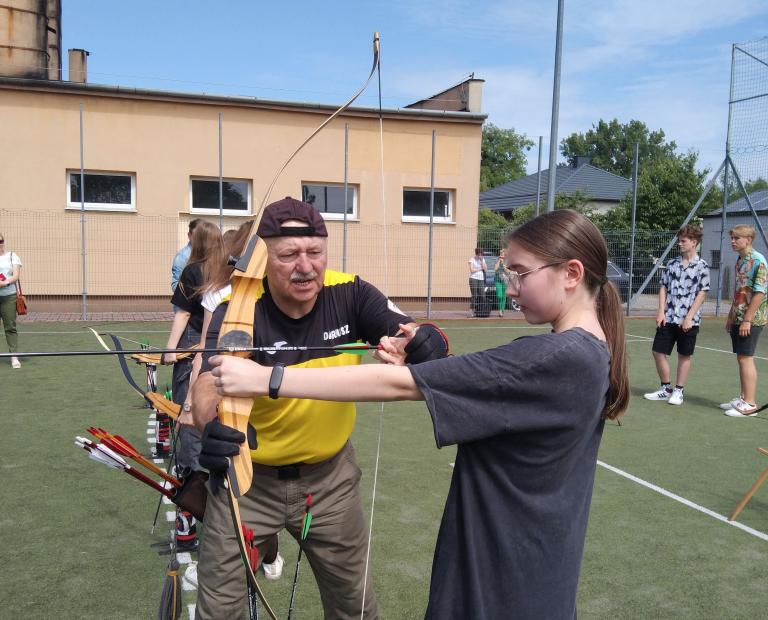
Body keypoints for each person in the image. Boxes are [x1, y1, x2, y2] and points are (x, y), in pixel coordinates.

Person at [206, 209, 629, 619]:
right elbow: (202, 393)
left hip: (506, 577)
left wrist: (266, 379)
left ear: (572, 273)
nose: (511, 288)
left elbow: (400, 380)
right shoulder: (581, 353)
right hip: (521, 564)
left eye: (520, 273)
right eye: (288, 255)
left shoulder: (555, 357)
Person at [192, 197, 446, 619]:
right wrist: (208, 426)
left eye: (315, 252)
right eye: (289, 255)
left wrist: (423, 340)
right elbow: (207, 382)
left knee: (355, 609)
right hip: (247, 480)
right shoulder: (239, 308)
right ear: (262, 259)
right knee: (218, 610)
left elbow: (410, 328)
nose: (305, 266)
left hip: (330, 483)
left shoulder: (351, 292)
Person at [643, 225, 710, 406]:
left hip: (689, 320)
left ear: (694, 242)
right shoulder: (672, 264)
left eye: (683, 241)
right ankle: (666, 388)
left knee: (684, 355)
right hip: (669, 317)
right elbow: (663, 287)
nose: (679, 244)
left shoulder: (702, 266)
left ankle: (679, 391)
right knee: (658, 351)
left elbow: (702, 293)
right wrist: (660, 311)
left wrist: (689, 317)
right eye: (679, 240)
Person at [721, 224, 768, 417]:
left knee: (746, 358)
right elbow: (739, 291)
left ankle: (750, 403)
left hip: (753, 319)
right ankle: (743, 397)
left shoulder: (758, 260)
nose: (732, 241)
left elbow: (759, 292)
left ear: (748, 240)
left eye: (736, 238)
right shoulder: (740, 260)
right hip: (739, 317)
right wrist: (732, 317)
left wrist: (747, 319)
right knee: (741, 357)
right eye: (732, 238)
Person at [0, 234, 22, 369]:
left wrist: (5, 283)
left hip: (9, 296)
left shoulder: (12, 256)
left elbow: (16, 275)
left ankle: (14, 356)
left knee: (10, 327)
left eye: (0, 241)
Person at [172, 218, 201, 310]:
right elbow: (175, 285)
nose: (200, 239)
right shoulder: (182, 257)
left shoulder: (208, 254)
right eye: (197, 235)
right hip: (185, 309)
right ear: (189, 236)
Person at [468, 247, 486, 317]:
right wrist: (480, 268)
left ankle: (480, 310)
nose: (480, 256)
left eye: (481, 254)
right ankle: (472, 310)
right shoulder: (471, 260)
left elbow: (486, 269)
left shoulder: (482, 260)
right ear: (476, 254)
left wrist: (481, 262)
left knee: (482, 295)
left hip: (481, 279)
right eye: (479, 254)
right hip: (473, 278)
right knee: (474, 295)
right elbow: (472, 270)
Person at [493, 249, 511, 317]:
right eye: (500, 253)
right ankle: (500, 309)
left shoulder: (507, 261)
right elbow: (495, 269)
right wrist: (499, 260)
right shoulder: (497, 260)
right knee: (499, 295)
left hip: (505, 280)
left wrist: (504, 266)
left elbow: (507, 271)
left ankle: (501, 311)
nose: (501, 254)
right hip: (498, 280)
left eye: (502, 253)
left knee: (504, 296)